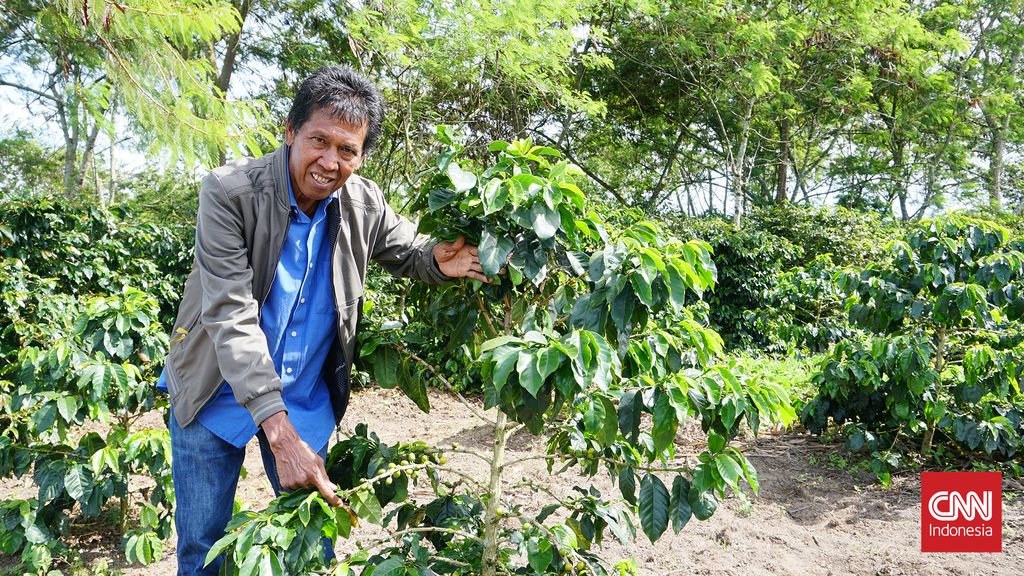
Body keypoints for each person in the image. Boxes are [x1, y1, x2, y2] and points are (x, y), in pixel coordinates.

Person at [158, 65, 488, 575]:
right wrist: (278, 432)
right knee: (202, 549)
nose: (330, 162)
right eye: (319, 141)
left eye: (347, 150)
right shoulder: (229, 192)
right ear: (290, 132)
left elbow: (410, 250)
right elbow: (229, 312)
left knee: (312, 552)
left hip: (304, 398)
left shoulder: (363, 203)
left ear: (361, 155)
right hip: (213, 388)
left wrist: (439, 261)